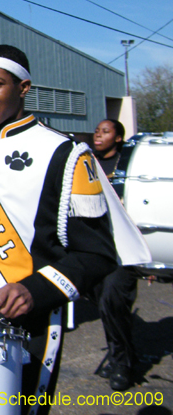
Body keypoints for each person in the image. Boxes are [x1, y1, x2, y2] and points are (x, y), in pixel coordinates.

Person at [0, 45, 117, 414]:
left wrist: (34, 290)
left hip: (31, 316)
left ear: (24, 87)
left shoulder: (66, 154)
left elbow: (97, 254)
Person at [91, 118, 137, 390]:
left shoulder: (127, 167)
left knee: (112, 301)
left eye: (105, 131)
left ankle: (122, 363)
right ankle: (124, 354)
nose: (98, 135)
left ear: (118, 138)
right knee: (107, 309)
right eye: (97, 131)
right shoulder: (86, 163)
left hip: (123, 250)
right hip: (96, 249)